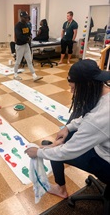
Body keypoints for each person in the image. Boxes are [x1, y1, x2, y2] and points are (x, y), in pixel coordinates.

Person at [26, 59, 110, 198]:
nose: (71, 92)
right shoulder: (104, 94)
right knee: (62, 140)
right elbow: (90, 116)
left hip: (106, 163)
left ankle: (61, 190)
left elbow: (67, 151)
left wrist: (38, 152)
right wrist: (68, 127)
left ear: (87, 85)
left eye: (73, 88)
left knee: (54, 149)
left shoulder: (99, 118)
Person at [14, 11, 43, 82]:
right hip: (20, 46)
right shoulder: (18, 25)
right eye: (25, 17)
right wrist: (27, 38)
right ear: (21, 17)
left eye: (27, 17)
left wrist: (30, 36)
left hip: (26, 45)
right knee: (18, 61)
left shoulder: (26, 24)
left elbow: (29, 33)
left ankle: (34, 76)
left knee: (29, 61)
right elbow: (19, 36)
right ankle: (15, 74)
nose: (26, 19)